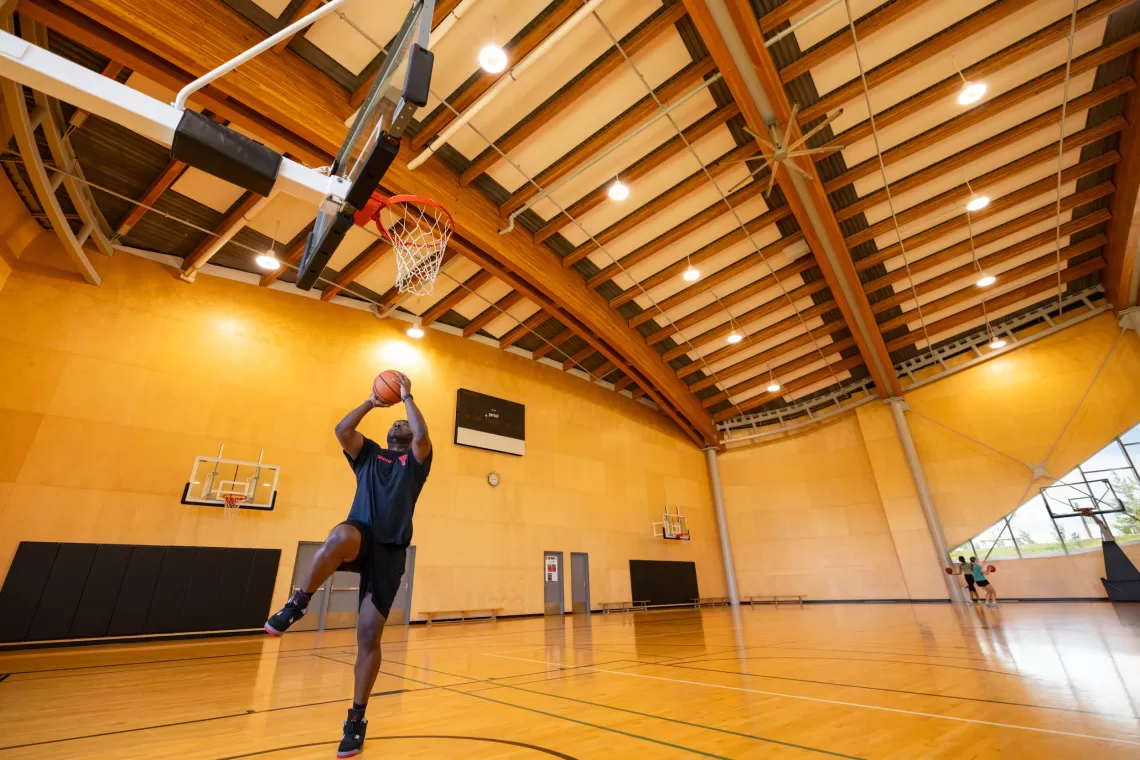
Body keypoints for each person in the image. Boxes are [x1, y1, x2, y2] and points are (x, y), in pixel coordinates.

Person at [264, 371, 431, 758]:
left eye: (404, 421)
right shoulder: (369, 453)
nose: (401, 422)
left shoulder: (416, 462)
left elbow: (422, 437)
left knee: (369, 635)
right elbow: (342, 429)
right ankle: (298, 603)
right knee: (339, 535)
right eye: (398, 420)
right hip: (362, 536)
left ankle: (356, 720)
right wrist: (373, 401)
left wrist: (407, 397)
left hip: (390, 553)